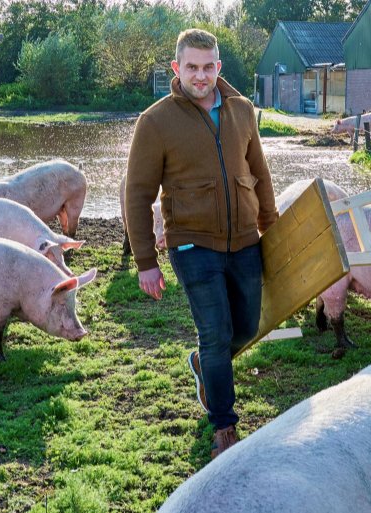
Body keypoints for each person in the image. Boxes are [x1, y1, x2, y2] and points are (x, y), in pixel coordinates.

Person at [125, 28, 278, 459]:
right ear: (177, 68)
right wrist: (145, 260)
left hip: (245, 241)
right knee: (216, 333)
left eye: (208, 66)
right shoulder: (156, 122)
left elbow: (260, 173)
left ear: (219, 67)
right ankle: (225, 427)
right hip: (192, 245)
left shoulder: (243, 111)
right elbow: (137, 194)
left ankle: (204, 367)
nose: (200, 75)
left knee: (246, 328)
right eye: (191, 67)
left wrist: (271, 225)